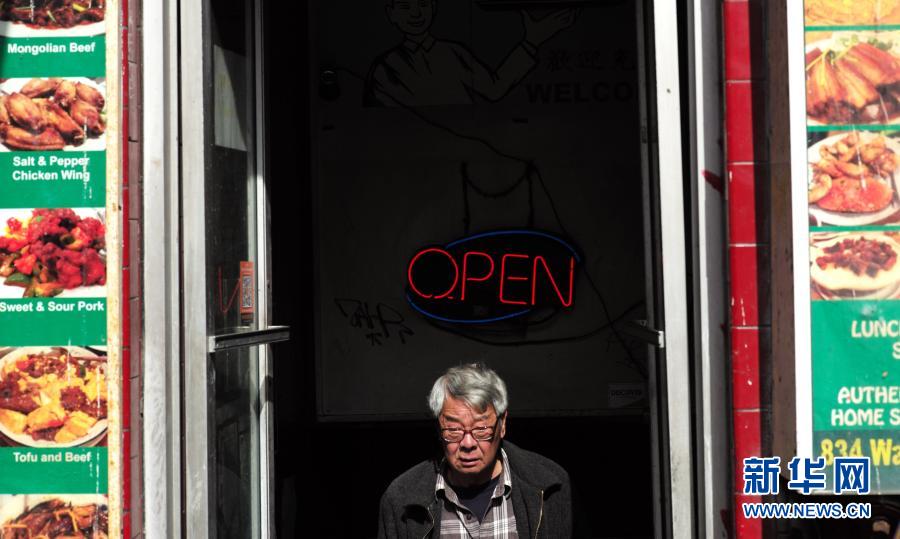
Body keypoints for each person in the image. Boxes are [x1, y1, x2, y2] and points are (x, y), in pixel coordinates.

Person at [377, 363, 573, 538]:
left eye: (481, 429)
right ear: (438, 429)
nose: (468, 443)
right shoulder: (401, 500)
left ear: (502, 424)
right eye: (453, 430)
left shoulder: (550, 487)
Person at [365, 0, 578, 107]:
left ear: (434, 7)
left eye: (423, 4)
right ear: (391, 13)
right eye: (405, 6)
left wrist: (532, 41)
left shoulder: (453, 52)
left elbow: (494, 88)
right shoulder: (384, 67)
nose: (416, 13)